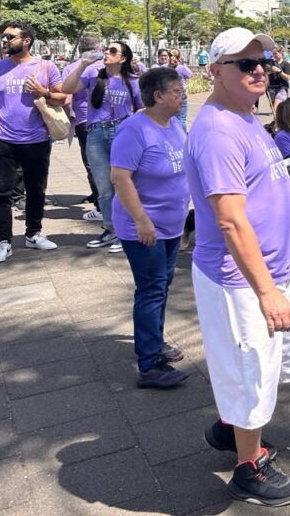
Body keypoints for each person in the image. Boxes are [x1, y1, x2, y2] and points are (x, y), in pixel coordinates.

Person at [185, 27, 290, 505]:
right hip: (240, 280)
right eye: (246, 63)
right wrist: (266, 291)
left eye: (265, 61)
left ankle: (231, 427)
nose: (261, 69)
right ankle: (247, 468)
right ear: (215, 71)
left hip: (270, 271)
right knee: (251, 371)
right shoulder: (217, 130)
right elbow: (231, 222)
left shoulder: (246, 116)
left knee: (271, 367)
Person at [110, 67, 191, 389]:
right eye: (177, 91)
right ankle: (149, 364)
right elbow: (119, 177)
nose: (183, 95)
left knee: (161, 286)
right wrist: (142, 220)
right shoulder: (134, 129)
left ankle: (155, 343)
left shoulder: (174, 125)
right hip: (143, 227)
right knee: (151, 290)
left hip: (171, 225)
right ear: (158, 96)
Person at [0, 21, 63, 265]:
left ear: (26, 40)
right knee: (1, 192)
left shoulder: (46, 66)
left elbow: (63, 97)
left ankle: (33, 234)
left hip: (36, 139)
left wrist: (43, 92)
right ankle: (3, 242)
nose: (5, 40)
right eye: (4, 37)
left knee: (36, 189)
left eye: (10, 37)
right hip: (0, 139)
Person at [62, 40, 143, 255]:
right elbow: (66, 89)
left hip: (122, 133)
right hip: (96, 133)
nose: (107, 53)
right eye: (107, 49)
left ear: (123, 58)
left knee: (122, 183)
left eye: (113, 51)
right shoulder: (93, 75)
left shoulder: (132, 81)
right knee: (103, 186)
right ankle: (110, 229)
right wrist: (81, 65)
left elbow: (142, 109)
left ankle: (125, 231)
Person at [62, 35, 102, 219]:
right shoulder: (105, 64)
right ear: (98, 47)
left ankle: (102, 206)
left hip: (84, 120)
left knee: (92, 164)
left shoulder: (72, 68)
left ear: (79, 49)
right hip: (109, 119)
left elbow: (66, 96)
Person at [265, 47, 290, 113]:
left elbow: (287, 77)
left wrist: (279, 71)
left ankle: (279, 122)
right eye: (273, 54)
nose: (274, 55)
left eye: (276, 53)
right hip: (271, 89)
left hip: (282, 88)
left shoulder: (286, 64)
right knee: (274, 110)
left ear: (281, 53)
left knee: (276, 108)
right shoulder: (270, 64)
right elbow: (265, 75)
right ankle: (278, 122)